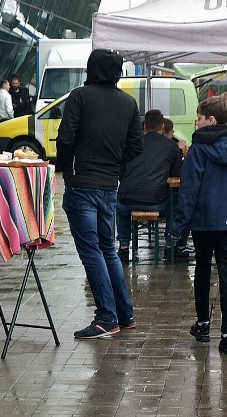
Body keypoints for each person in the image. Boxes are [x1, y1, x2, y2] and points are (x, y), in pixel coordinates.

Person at [56, 49, 144, 339]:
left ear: (90, 68)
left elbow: (66, 138)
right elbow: (135, 148)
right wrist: (116, 170)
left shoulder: (79, 96)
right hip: (109, 186)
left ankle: (106, 317)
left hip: (81, 183)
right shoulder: (129, 103)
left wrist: (65, 165)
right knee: (107, 248)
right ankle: (124, 313)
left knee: (91, 250)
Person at [167, 95, 227, 355]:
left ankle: (204, 323)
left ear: (211, 120)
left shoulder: (198, 149)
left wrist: (179, 228)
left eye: (198, 118)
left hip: (204, 221)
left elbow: (189, 191)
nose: (196, 123)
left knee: (203, 271)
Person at [115, 109, 184, 263]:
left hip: (126, 199)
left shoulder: (131, 145)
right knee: (176, 202)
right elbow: (176, 176)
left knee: (120, 208)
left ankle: (124, 247)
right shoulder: (171, 146)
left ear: (144, 126)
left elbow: (121, 171)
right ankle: (170, 246)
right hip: (156, 201)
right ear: (162, 128)